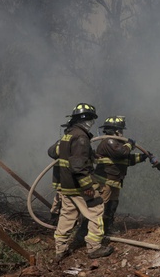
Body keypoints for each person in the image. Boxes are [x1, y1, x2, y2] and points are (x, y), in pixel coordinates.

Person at [47, 103, 114, 263]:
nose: (91, 123)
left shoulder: (68, 135)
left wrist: (90, 156)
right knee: (97, 210)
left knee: (67, 216)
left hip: (66, 185)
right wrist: (89, 188)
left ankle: (60, 250)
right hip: (78, 186)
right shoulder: (81, 137)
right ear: (85, 119)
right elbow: (78, 166)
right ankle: (94, 247)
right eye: (91, 119)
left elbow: (56, 153)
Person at [92, 116, 158, 233]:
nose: (122, 133)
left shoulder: (116, 144)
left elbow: (125, 160)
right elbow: (122, 153)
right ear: (116, 130)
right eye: (121, 130)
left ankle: (107, 228)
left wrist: (143, 157)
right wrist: (129, 144)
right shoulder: (109, 142)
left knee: (112, 206)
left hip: (115, 181)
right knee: (100, 207)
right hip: (104, 181)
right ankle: (92, 233)